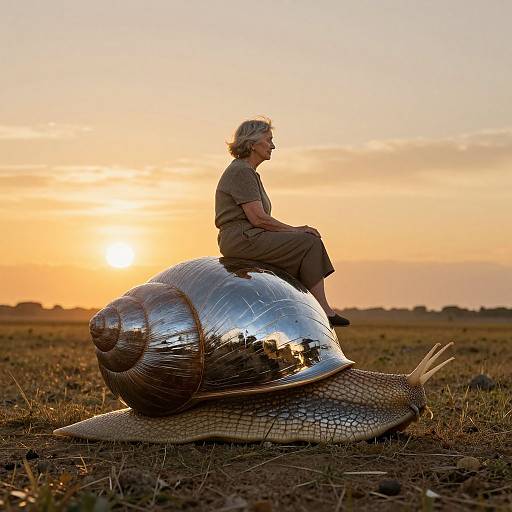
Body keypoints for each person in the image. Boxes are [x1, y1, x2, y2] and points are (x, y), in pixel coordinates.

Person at [215, 117, 350, 327]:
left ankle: (306, 307)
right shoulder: (241, 171)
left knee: (306, 241)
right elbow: (258, 218)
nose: (273, 146)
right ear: (252, 143)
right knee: (309, 242)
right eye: (268, 140)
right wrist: (296, 231)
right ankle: (322, 310)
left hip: (249, 236)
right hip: (243, 238)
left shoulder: (248, 172)